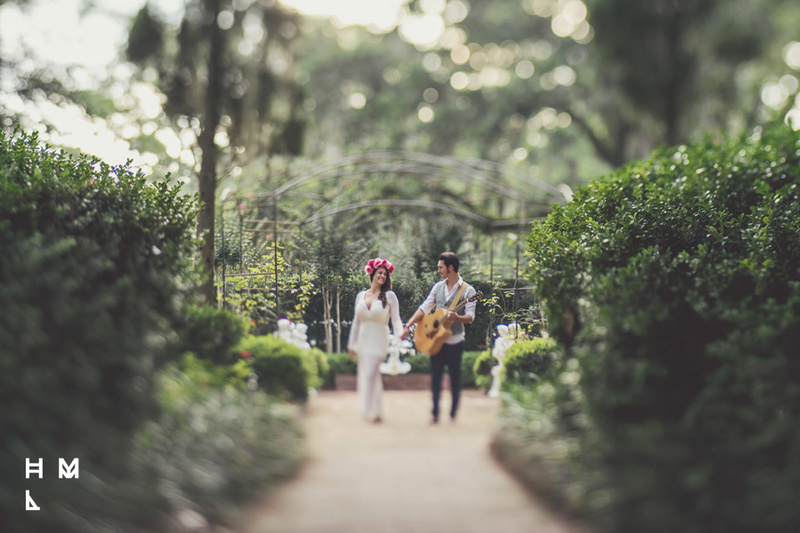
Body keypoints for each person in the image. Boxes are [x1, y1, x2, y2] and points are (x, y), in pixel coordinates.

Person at [401, 252, 476, 424]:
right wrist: (409, 325)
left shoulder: (468, 291)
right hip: (435, 341)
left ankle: (453, 413)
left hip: (455, 340)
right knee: (435, 377)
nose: (438, 270)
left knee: (454, 377)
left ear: (450, 268)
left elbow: (471, 317)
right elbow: (425, 308)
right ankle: (435, 412)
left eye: (440, 267)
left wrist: (457, 318)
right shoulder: (438, 287)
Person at [347, 257, 403, 423]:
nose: (382, 276)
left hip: (380, 338)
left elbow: (396, 320)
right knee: (367, 373)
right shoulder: (360, 296)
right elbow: (356, 323)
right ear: (372, 274)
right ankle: (377, 411)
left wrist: (399, 337)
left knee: (371, 371)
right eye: (379, 273)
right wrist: (352, 345)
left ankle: (367, 409)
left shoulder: (390, 296)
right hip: (364, 339)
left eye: (385, 274)